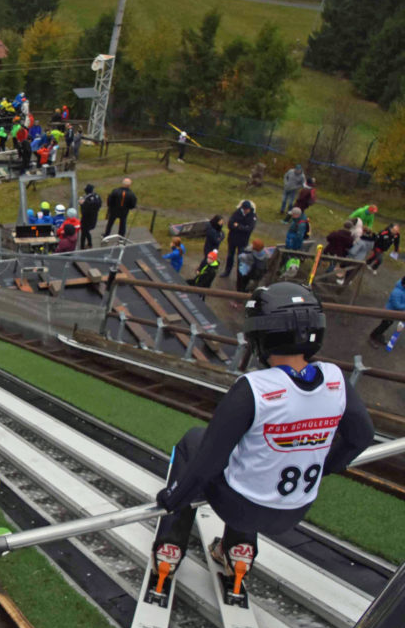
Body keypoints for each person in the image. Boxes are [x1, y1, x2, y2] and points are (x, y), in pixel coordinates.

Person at [153, 283, 373, 592]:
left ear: (261, 335)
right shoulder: (337, 381)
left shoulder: (254, 388)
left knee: (194, 440)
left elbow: (208, 461)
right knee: (259, 454)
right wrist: (325, 466)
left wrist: (172, 499)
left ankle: (170, 543)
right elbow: (361, 437)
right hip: (295, 512)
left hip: (240, 507)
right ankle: (238, 550)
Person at [221, 200, 257, 279]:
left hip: (243, 241)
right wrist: (242, 227)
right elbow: (230, 225)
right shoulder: (237, 213)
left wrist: (238, 226)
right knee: (230, 256)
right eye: (244, 209)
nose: (245, 210)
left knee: (241, 258)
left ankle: (240, 275)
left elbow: (249, 229)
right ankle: (227, 271)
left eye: (247, 209)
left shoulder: (252, 216)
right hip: (232, 239)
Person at [369, 277, 405, 346]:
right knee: (383, 325)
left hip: (395, 313)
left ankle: (379, 335)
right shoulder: (396, 293)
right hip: (389, 313)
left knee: (387, 325)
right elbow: (397, 306)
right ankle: (372, 337)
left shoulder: (403, 290)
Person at [78, 184, 101, 249]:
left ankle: (82, 246)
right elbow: (99, 204)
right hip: (93, 217)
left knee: (84, 232)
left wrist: (82, 204)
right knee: (86, 231)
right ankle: (89, 244)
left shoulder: (86, 199)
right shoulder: (96, 196)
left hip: (87, 218)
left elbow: (85, 210)